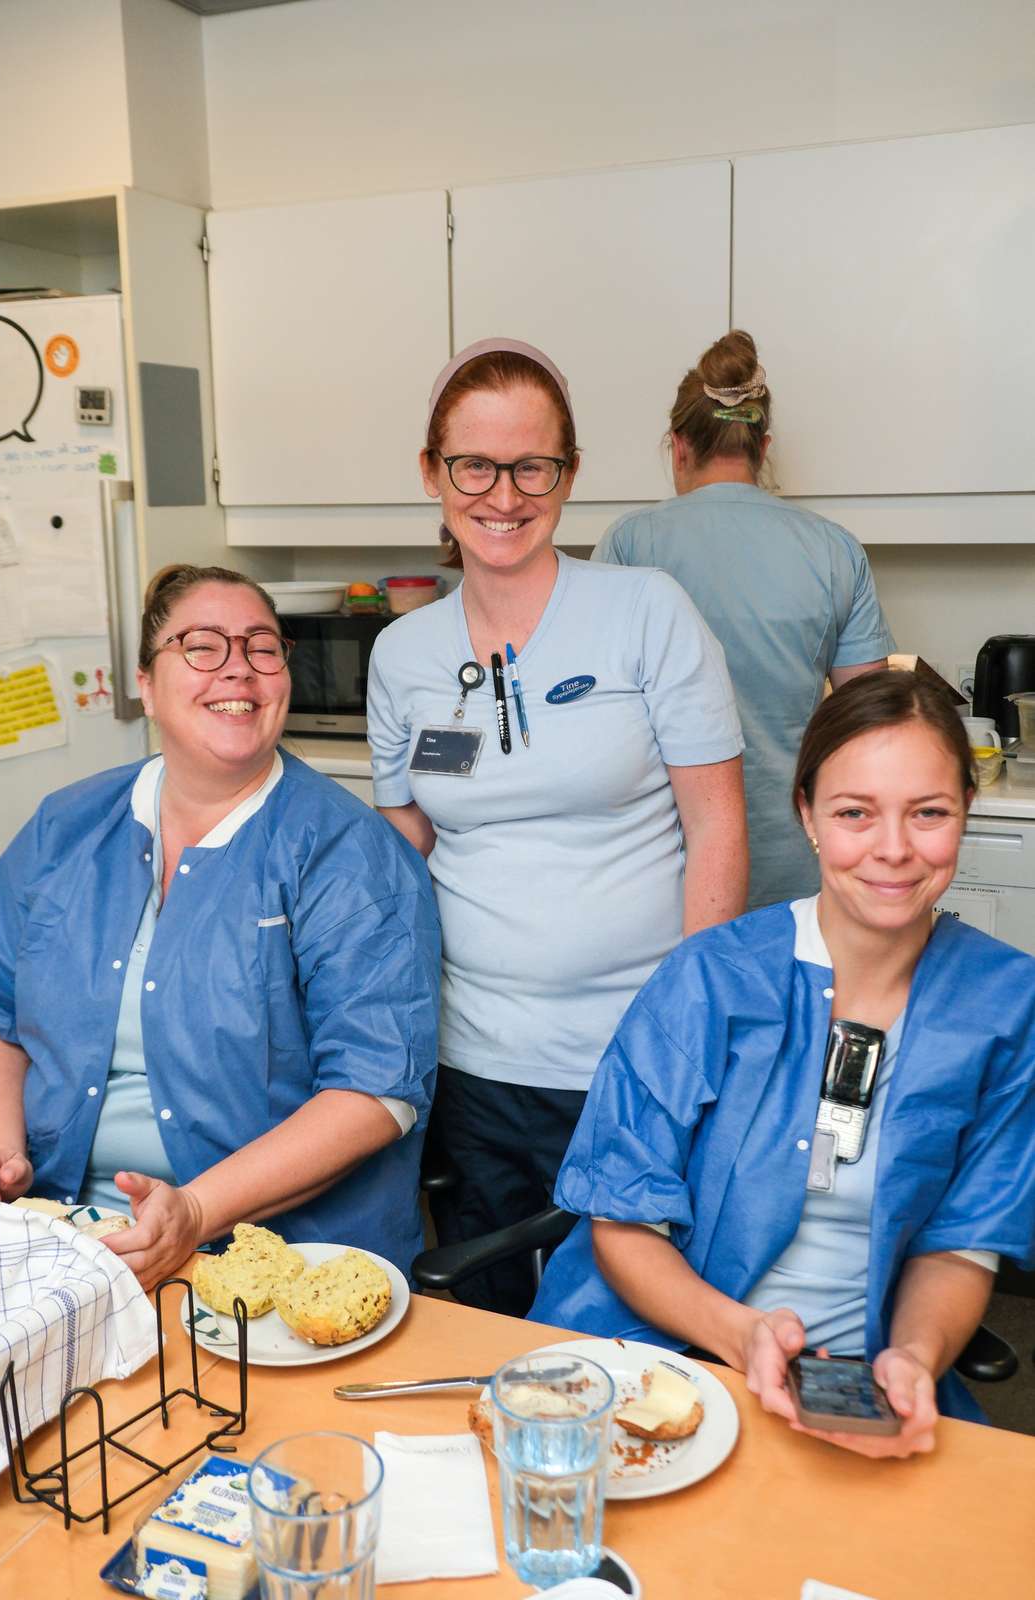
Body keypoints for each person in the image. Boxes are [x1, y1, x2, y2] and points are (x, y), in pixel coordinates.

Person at [531, 670, 1035, 1450]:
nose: (893, 850)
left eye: (928, 813)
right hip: (655, 1363)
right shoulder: (708, 978)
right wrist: (743, 1339)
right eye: (853, 813)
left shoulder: (1007, 1004)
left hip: (858, 1389)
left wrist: (913, 1355)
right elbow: (622, 1220)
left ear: (965, 811)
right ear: (806, 814)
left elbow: (961, 1241)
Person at [368, 336, 748, 1315]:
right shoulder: (402, 655)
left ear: (568, 473)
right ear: (432, 473)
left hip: (634, 1048)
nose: (503, 493)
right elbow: (405, 849)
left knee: (638, 1320)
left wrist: (686, 1033)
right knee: (486, 1316)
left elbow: (715, 827)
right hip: (475, 1058)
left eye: (531, 464)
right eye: (474, 465)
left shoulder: (644, 613)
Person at [0, 564, 440, 1288]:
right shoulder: (64, 828)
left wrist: (193, 1210)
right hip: (60, 1234)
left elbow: (375, 1093)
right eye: (201, 647)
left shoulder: (348, 852)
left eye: (261, 647)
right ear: (146, 683)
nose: (238, 672)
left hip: (277, 1259)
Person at [595, 330, 894, 910]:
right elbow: (870, 727)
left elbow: (600, 716)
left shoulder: (631, 542)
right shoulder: (835, 550)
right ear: (764, 446)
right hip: (798, 863)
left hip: (665, 868)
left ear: (678, 446)